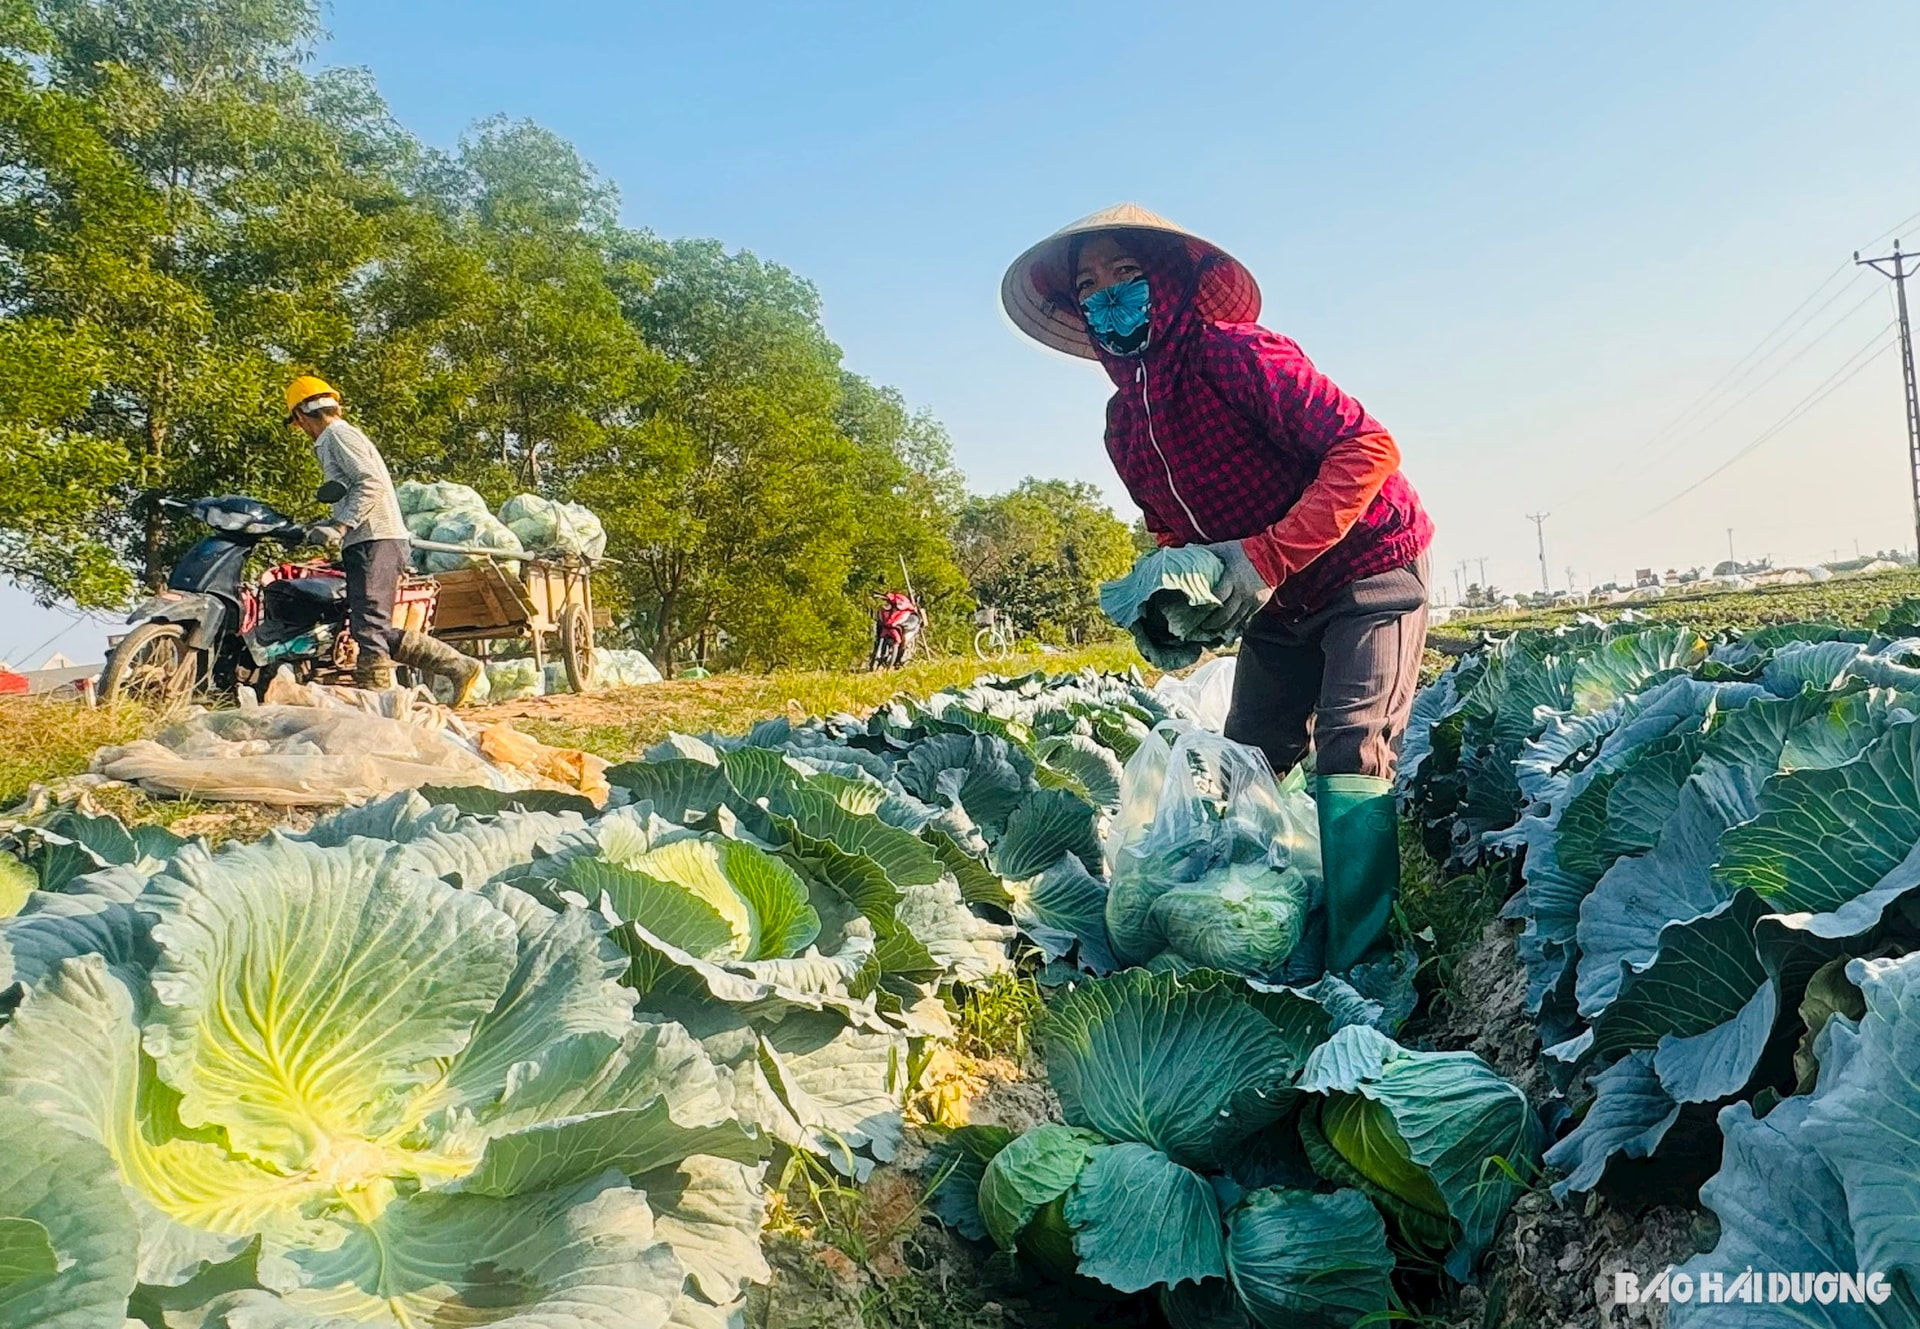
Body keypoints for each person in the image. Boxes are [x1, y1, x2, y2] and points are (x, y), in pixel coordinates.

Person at [1001, 204, 1434, 972]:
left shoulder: (1236, 355)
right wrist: (1176, 604)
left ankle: (1365, 955)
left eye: (1127, 275)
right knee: (1248, 756)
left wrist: (1267, 556)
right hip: (1280, 596)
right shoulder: (1124, 426)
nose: (1110, 297)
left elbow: (1369, 448)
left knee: (1350, 746)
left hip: (1369, 566)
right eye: (1091, 286)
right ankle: (1262, 919)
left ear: (1168, 282)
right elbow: (1180, 533)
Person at [283, 375, 483, 703]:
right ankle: (458, 666)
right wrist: (328, 522)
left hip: (374, 538)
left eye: (298, 423)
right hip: (372, 538)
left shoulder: (336, 435)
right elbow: (352, 487)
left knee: (370, 626)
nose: (302, 430)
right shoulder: (342, 435)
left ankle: (376, 703)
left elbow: (370, 482)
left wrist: (342, 524)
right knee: (369, 625)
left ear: (302, 417)